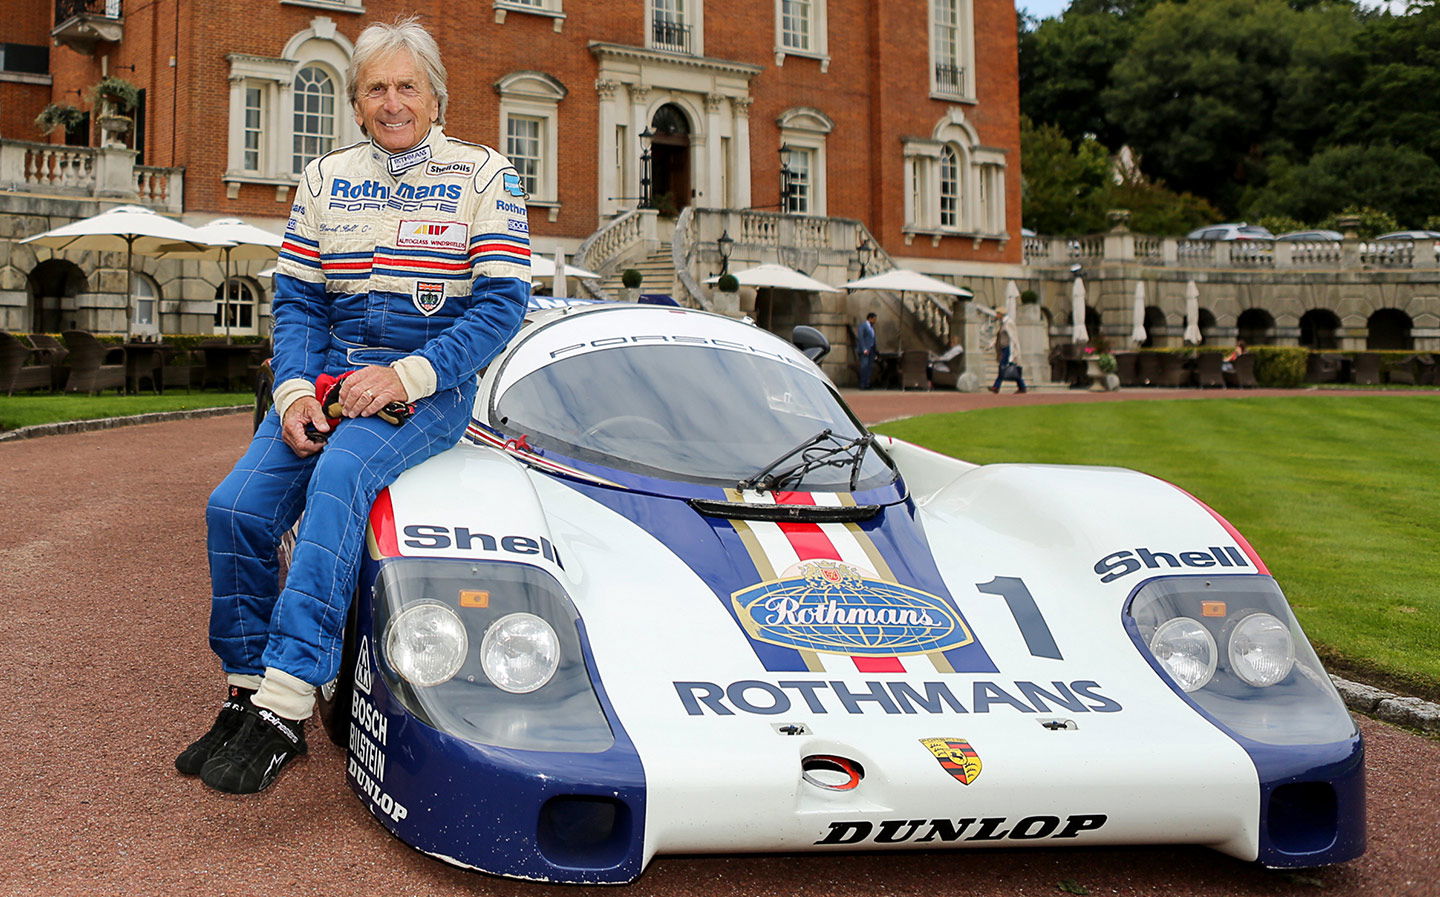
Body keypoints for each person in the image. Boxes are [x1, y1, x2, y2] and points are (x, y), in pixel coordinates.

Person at [175, 17, 531, 795]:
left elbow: (502, 308)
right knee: (233, 508)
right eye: (377, 87)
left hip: (427, 385)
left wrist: (406, 375)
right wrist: (298, 391)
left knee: (340, 482)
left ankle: (287, 698)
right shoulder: (324, 176)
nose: (393, 101)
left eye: (408, 86)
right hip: (329, 374)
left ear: (436, 97)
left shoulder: (485, 175)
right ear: (356, 101)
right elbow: (297, 301)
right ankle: (245, 690)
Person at [987, 310, 1027, 394]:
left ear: (1001, 314)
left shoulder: (1009, 323)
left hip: (1008, 349)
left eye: (997, 314)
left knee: (1003, 367)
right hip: (1003, 348)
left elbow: (1013, 337)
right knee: (1009, 368)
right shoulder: (1002, 324)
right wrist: (992, 344)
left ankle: (996, 386)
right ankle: (1022, 386)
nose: (996, 315)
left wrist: (1013, 352)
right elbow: (998, 337)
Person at [856, 312, 877, 389]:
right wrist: (864, 348)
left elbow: (873, 339)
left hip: (871, 350)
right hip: (865, 350)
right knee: (864, 366)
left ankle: (867, 383)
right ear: (870, 318)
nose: (875, 321)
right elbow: (861, 338)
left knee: (869, 367)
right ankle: (862, 384)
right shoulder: (863, 326)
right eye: (874, 319)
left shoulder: (872, 328)